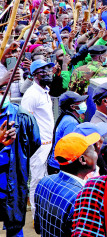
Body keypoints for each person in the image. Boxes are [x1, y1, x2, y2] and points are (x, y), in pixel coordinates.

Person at [34, 132, 99, 237]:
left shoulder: (44, 182)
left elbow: (39, 228)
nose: (97, 152)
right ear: (82, 160)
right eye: (93, 149)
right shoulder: (81, 197)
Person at [0, 101, 40, 237]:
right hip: (10, 180)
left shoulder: (22, 115)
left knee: (15, 223)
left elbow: (34, 142)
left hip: (13, 179)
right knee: (14, 222)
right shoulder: (22, 114)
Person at [21, 59, 56, 217]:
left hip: (48, 143)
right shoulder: (32, 94)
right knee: (36, 179)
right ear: (34, 75)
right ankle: (37, 215)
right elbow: (24, 120)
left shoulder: (45, 90)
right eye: (43, 71)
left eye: (48, 70)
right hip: (38, 145)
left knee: (45, 178)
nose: (47, 73)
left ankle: (44, 211)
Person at [47, 91, 88, 175]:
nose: (83, 104)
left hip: (56, 165)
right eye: (80, 102)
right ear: (73, 107)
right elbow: (70, 148)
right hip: (59, 167)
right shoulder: (71, 122)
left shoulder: (66, 117)